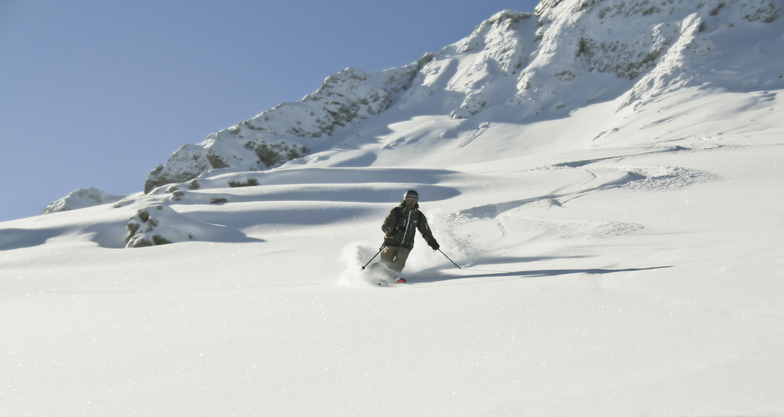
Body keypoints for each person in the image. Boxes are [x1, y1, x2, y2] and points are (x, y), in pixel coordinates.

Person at [377, 190, 439, 280]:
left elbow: (425, 231)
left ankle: (389, 277)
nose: (410, 202)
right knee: (386, 257)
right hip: (391, 242)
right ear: (404, 199)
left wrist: (431, 241)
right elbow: (385, 226)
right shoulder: (396, 212)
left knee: (401, 258)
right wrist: (394, 230)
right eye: (408, 199)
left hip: (405, 245)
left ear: (417, 201)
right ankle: (378, 275)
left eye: (413, 200)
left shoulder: (418, 216)